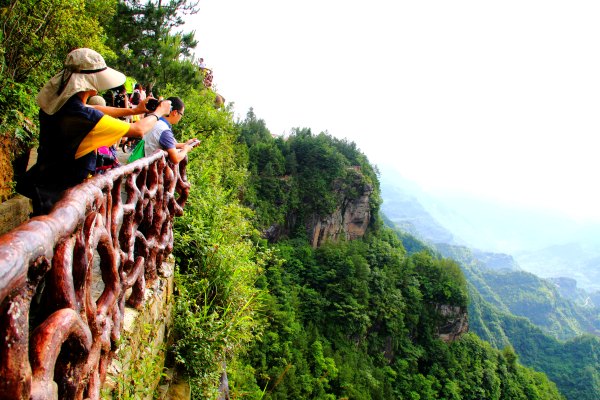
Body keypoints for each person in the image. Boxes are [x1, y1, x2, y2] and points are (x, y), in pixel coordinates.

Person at [18, 47, 172, 215]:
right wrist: (159, 113)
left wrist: (133, 111)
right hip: (62, 199)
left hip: (45, 184)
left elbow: (94, 108)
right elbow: (138, 129)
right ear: (90, 82)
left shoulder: (62, 106)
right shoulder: (85, 117)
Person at [143, 97, 199, 164]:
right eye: (181, 114)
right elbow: (176, 159)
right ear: (175, 112)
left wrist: (186, 144)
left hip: (141, 159)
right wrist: (185, 150)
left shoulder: (154, 120)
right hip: (148, 168)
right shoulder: (164, 130)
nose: (181, 117)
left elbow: (167, 143)